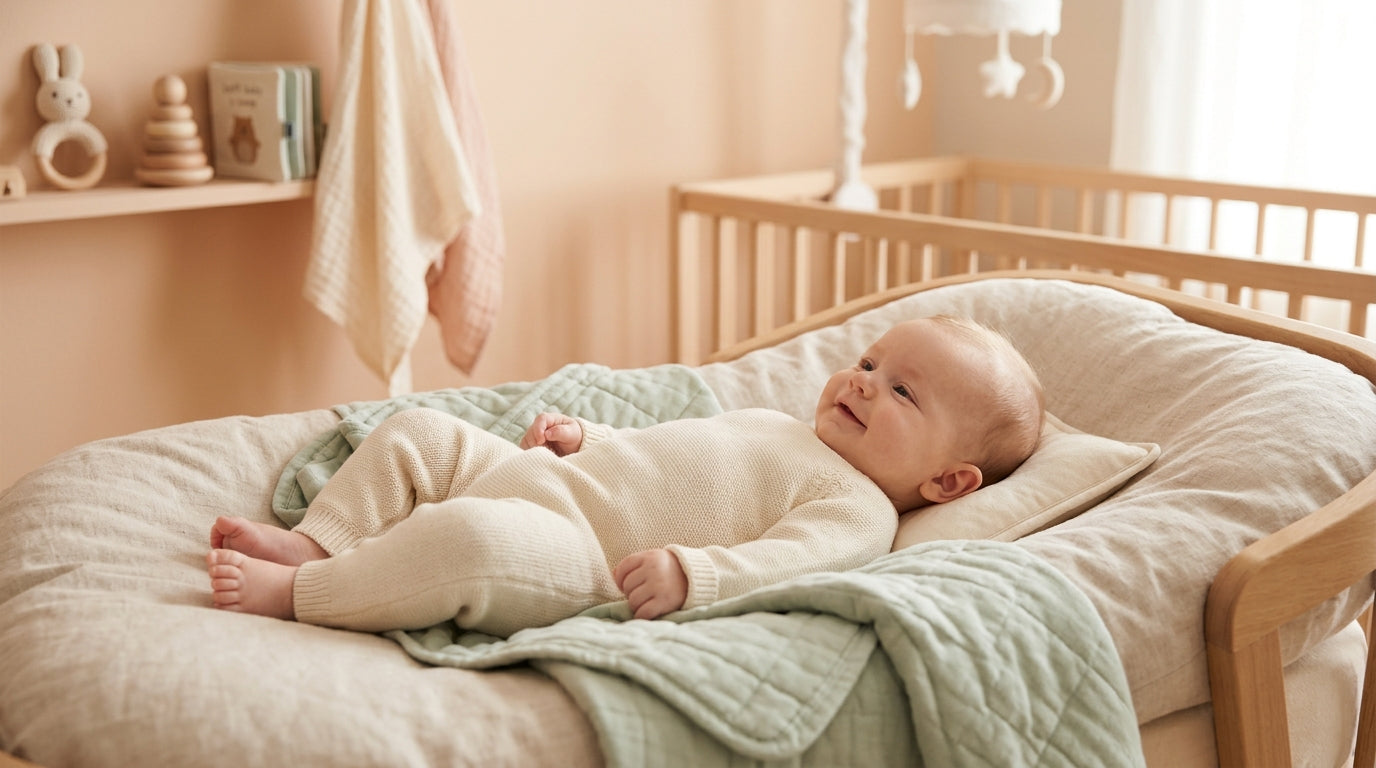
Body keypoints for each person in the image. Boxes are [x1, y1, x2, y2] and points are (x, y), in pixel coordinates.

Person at [207, 315, 1044, 636]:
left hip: (577, 551)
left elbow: (794, 562)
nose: (862, 380)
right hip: (546, 479)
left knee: (467, 541)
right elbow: (670, 450)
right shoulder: (777, 426)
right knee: (420, 431)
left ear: (948, 484)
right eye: (869, 360)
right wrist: (588, 434)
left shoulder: (856, 506)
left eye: (902, 391)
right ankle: (322, 543)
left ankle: (305, 596)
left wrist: (698, 575)